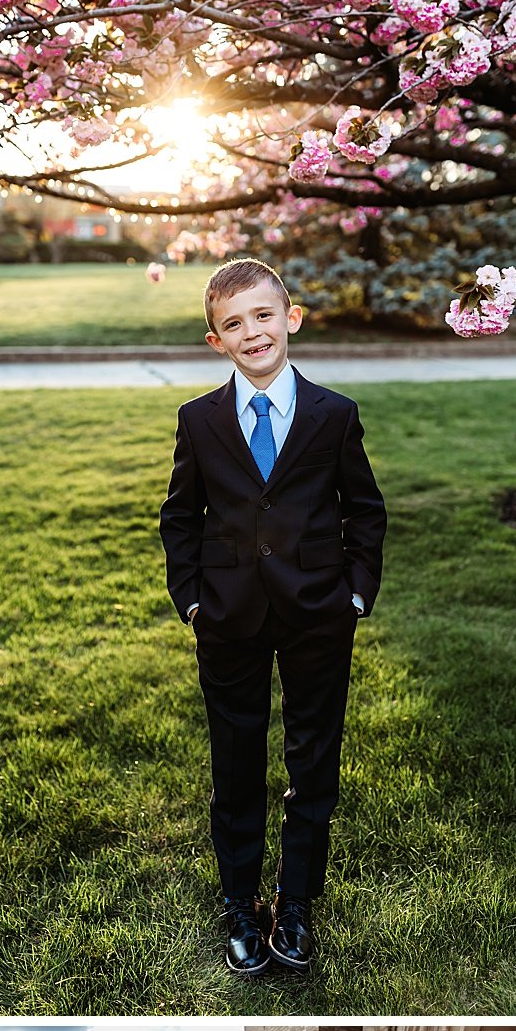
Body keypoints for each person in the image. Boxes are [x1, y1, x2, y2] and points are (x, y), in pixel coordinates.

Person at [159, 257, 387, 975]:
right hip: (227, 614)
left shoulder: (333, 414)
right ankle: (239, 902)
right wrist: (192, 597)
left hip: (319, 612)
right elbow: (179, 516)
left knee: (312, 758)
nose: (251, 332)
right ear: (215, 341)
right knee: (237, 761)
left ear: (291, 319)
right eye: (234, 324)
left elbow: (366, 511)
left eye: (263, 316)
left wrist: (354, 594)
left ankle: (295, 902)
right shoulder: (198, 420)